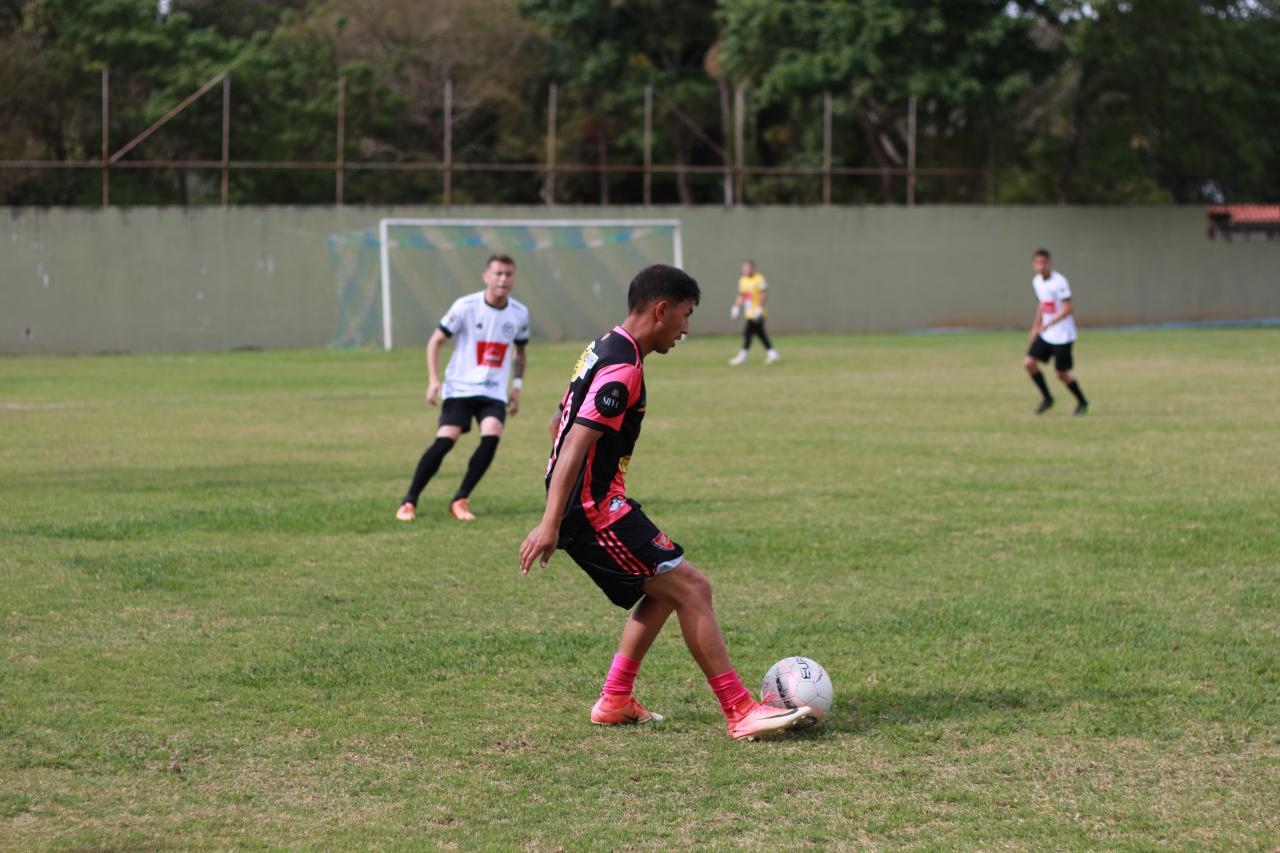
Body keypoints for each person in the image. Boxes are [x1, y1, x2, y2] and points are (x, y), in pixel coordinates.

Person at [518, 264, 811, 740]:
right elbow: (573, 442)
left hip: (590, 501)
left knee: (663, 586)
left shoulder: (602, 346)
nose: (686, 328)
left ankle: (615, 699)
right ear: (661, 309)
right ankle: (739, 710)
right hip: (592, 510)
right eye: (686, 315)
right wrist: (553, 520)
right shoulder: (624, 367)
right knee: (692, 589)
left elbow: (558, 421)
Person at [396, 254, 529, 522]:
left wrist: (516, 387)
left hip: (492, 391)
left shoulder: (519, 313)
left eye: (508, 274)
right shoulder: (466, 306)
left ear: (513, 278)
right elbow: (435, 341)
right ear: (486, 276)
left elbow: (521, 353)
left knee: (492, 434)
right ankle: (409, 501)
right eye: (498, 273)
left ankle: (460, 499)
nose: (503, 279)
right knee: (447, 439)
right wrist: (434, 380)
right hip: (460, 387)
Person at [1024, 248, 1088, 415]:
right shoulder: (1037, 281)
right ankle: (1047, 398)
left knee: (1061, 374)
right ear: (1034, 265)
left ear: (1049, 263)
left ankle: (1082, 402)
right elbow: (1042, 304)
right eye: (1038, 263)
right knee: (1029, 363)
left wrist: (1050, 323)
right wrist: (1036, 327)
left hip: (1063, 335)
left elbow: (1068, 308)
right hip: (1046, 334)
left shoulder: (1059, 282)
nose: (1041, 266)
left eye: (1044, 262)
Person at [728, 259, 780, 365]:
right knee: (759, 334)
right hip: (749, 312)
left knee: (748, 333)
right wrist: (736, 307)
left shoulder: (759, 279)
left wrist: (759, 309)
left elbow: (762, 294)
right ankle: (772, 353)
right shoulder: (743, 280)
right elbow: (742, 295)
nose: (746, 270)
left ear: (753, 268)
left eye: (748, 268)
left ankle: (742, 356)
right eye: (744, 268)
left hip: (758, 312)